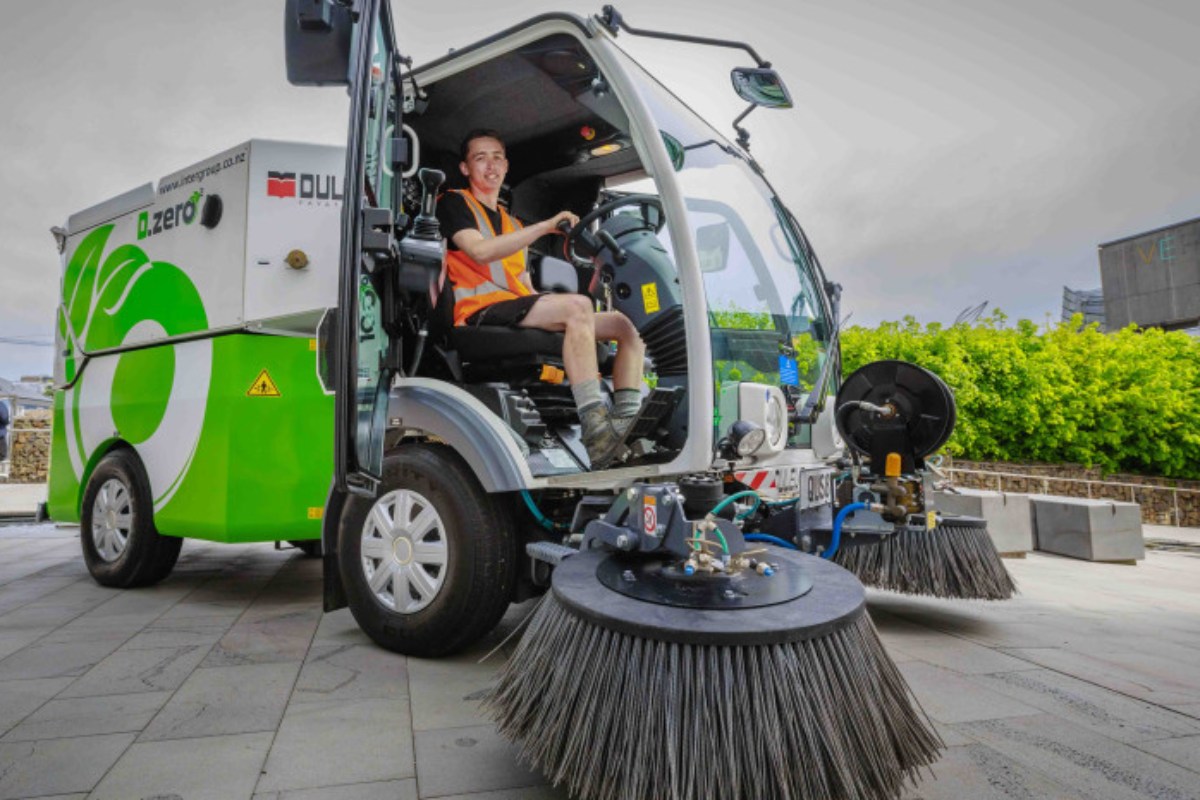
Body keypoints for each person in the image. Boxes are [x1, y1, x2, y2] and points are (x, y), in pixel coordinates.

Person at [437, 129, 645, 469]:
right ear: (464, 168)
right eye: (480, 158)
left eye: (497, 157)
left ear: (506, 165)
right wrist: (545, 226)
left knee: (626, 326)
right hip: (478, 311)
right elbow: (479, 250)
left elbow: (523, 284)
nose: (491, 165)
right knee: (577, 306)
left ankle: (626, 423)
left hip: (515, 308)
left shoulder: (510, 222)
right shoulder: (455, 203)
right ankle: (596, 431)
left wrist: (554, 309)